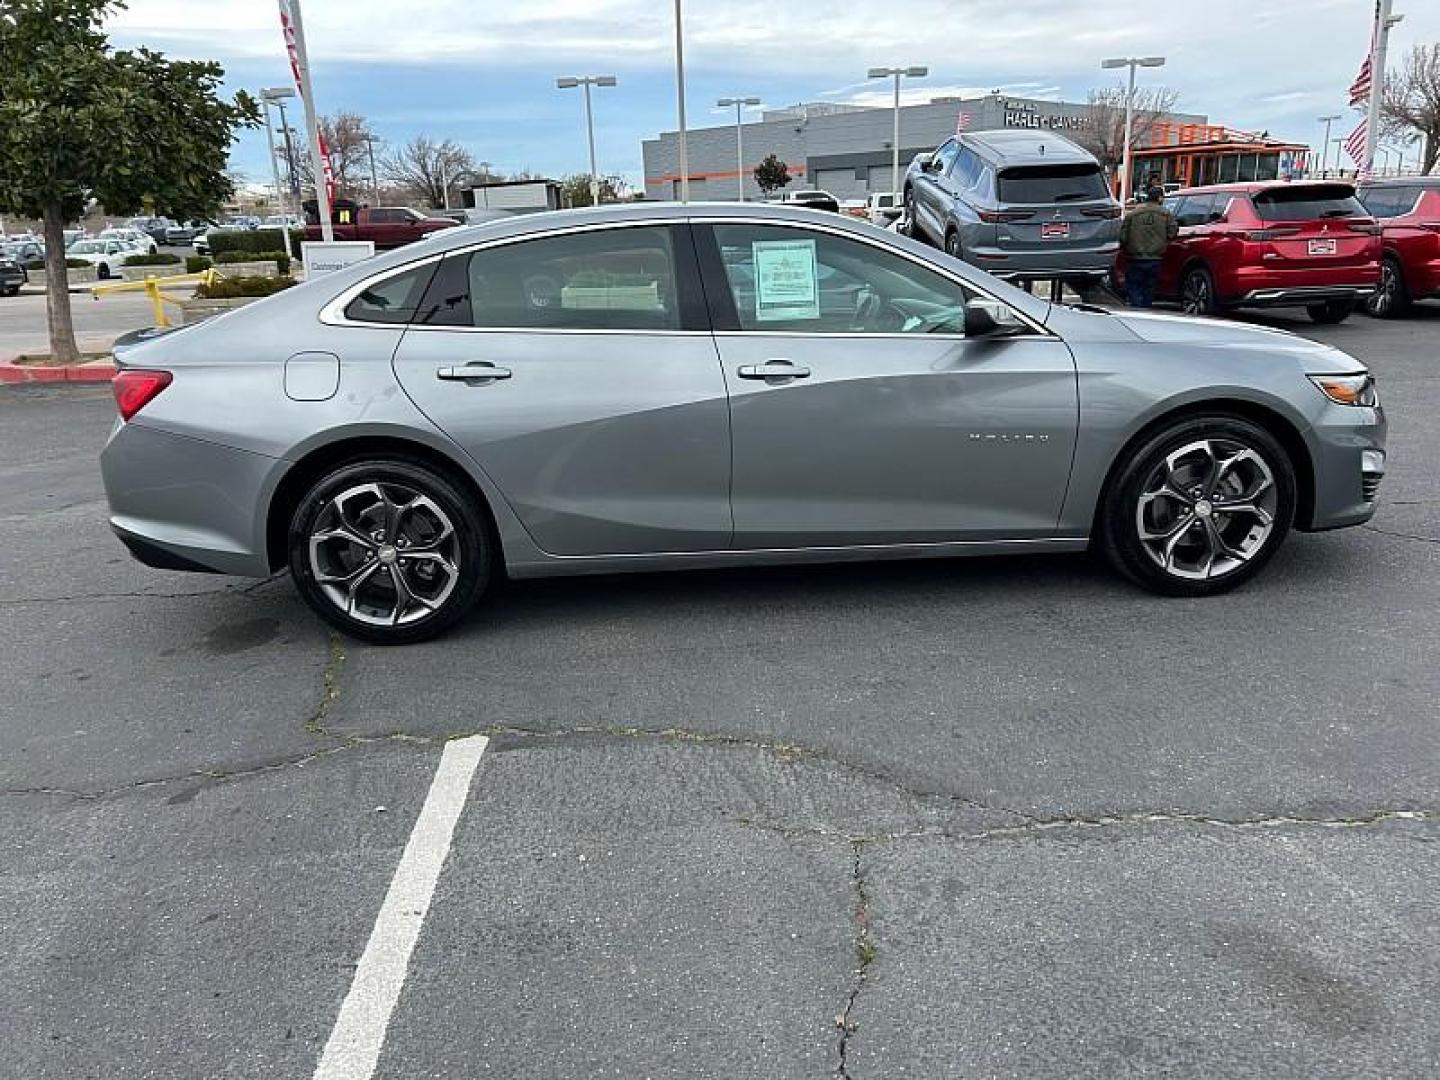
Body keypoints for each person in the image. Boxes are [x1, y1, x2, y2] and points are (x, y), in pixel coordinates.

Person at [1119, 186, 1178, 309]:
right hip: (1155, 258)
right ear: (1160, 198)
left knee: (1134, 287)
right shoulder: (1166, 214)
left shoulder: (1133, 214)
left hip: (1135, 257)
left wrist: (1126, 248)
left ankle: (1136, 308)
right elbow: (1172, 233)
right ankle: (1145, 311)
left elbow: (1123, 236)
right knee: (1149, 289)